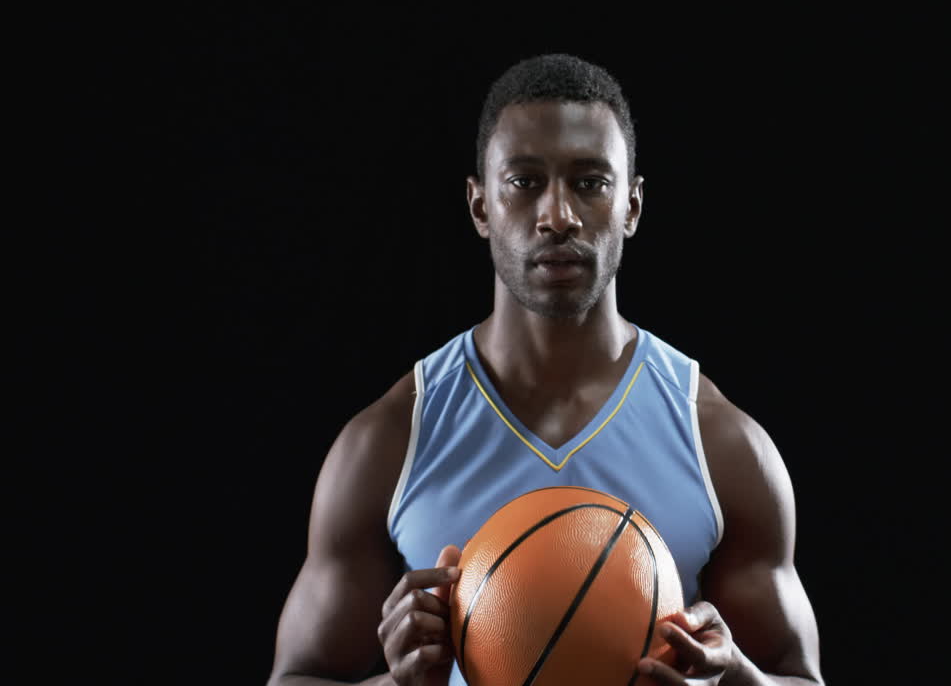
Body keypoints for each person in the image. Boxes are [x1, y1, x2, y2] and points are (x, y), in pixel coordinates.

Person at [266, 53, 824, 686]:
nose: (559, 215)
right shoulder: (391, 440)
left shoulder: (719, 443)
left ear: (633, 207)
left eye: (590, 182)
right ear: (480, 207)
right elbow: (294, 678)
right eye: (524, 182)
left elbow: (800, 678)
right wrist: (398, 684)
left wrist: (734, 681)